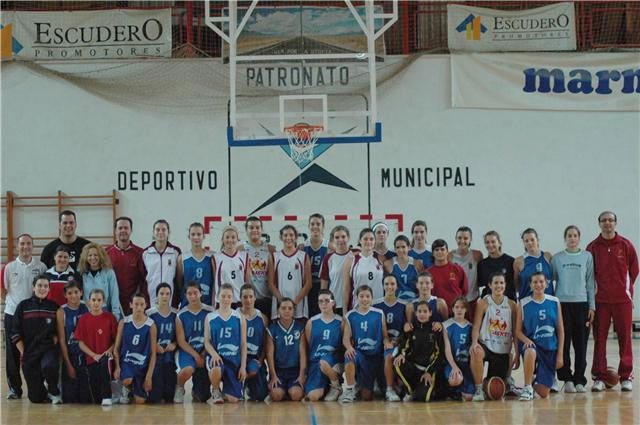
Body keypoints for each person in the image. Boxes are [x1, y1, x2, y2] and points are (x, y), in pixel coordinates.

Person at [587, 211, 638, 392]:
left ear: (615, 223)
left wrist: (625, 289)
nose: (607, 223)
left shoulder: (626, 245)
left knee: (625, 339)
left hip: (622, 301)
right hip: (600, 301)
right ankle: (599, 377)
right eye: (604, 220)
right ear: (599, 223)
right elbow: (588, 276)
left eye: (610, 220)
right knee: (599, 339)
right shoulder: (592, 247)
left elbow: (634, 270)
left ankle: (626, 376)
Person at [2, 234, 47, 400]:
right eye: (22, 244)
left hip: (33, 316)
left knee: (35, 351)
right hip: (12, 314)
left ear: (33, 246)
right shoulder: (9, 267)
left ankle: (38, 386)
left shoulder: (41, 266)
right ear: (17, 246)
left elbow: (43, 289)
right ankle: (15, 388)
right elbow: (3, 291)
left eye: (28, 244)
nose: (25, 247)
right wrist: (14, 306)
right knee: (12, 353)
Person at [552, 225, 595, 393]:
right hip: (562, 305)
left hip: (582, 305)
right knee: (564, 343)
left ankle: (579, 380)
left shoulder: (587, 257)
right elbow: (551, 282)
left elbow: (590, 283)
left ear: (579, 238)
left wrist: (592, 306)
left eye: (575, 235)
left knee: (581, 344)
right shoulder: (557, 258)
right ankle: (566, 378)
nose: (572, 238)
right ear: (565, 238)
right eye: (569, 235)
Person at [10, 274, 61, 404]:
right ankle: (41, 390)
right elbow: (15, 332)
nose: (42, 288)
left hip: (47, 349)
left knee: (49, 365)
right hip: (29, 352)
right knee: (36, 399)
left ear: (49, 289)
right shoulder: (23, 306)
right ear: (33, 287)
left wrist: (55, 339)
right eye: (39, 285)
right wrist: (23, 352)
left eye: (45, 286)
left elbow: (59, 330)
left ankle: (54, 390)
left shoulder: (54, 307)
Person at [470, 272, 518, 401]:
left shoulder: (512, 305)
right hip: (486, 344)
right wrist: (474, 343)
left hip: (502, 348)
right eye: (496, 283)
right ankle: (478, 389)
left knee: (495, 389)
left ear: (505, 285)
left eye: (501, 283)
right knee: (476, 352)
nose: (499, 285)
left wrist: (517, 353)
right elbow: (476, 326)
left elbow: (515, 331)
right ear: (490, 285)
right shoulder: (484, 302)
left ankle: (501, 382)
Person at [516, 272, 565, 400]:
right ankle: (527, 388)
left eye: (541, 281)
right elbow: (517, 331)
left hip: (549, 348)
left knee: (544, 393)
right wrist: (526, 340)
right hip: (533, 345)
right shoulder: (523, 303)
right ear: (530, 285)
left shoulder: (554, 302)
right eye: (535, 282)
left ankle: (534, 380)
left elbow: (560, 330)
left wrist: (560, 355)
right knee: (530, 350)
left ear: (547, 284)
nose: (538, 284)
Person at [341, 285, 391, 403]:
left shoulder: (379, 313)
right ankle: (349, 389)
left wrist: (387, 342)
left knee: (366, 396)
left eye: (367, 296)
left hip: (376, 356)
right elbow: (345, 338)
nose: (365, 299)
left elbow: (385, 336)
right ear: (356, 298)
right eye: (362, 296)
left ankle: (372, 385)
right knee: (349, 355)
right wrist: (348, 347)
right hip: (360, 355)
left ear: (372, 298)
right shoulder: (350, 315)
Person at [393, 300, 447, 402]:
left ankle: (422, 389)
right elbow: (405, 346)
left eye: (425, 311)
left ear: (430, 313)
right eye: (420, 311)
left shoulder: (435, 329)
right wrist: (401, 354)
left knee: (424, 398)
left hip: (427, 370)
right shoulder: (411, 328)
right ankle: (409, 391)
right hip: (413, 368)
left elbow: (440, 355)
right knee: (397, 362)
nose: (422, 314)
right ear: (416, 313)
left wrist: (429, 372)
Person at [204, 283, 247, 404]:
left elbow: (243, 344)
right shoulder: (210, 317)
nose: (226, 299)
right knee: (217, 367)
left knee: (233, 400)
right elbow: (206, 341)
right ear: (217, 297)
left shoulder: (239, 317)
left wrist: (243, 366)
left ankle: (226, 391)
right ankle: (216, 391)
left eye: (229, 296)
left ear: (233, 298)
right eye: (223, 296)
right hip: (217, 358)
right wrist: (214, 354)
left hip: (234, 360)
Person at [75, 288, 118, 405]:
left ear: (103, 302)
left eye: (99, 300)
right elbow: (80, 343)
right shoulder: (83, 319)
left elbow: (116, 341)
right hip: (91, 358)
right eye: (93, 300)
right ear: (88, 301)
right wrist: (93, 355)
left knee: (104, 363)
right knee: (96, 399)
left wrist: (109, 351)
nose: (96, 303)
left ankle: (108, 396)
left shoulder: (110, 318)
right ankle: (102, 396)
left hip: (106, 357)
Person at [113, 292, 157, 404]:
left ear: (146, 305)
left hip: (142, 366)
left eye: (141, 304)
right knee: (127, 380)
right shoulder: (124, 322)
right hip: (127, 363)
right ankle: (124, 388)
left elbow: (153, 353)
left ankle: (132, 390)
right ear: (130, 305)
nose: (139, 307)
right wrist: (117, 367)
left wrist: (149, 376)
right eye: (136, 304)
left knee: (140, 401)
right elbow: (116, 348)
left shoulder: (151, 325)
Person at [174, 281, 214, 403]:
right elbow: (181, 341)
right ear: (185, 295)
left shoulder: (210, 312)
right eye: (189, 294)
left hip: (205, 350)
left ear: (201, 293)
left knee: (202, 397)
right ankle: (179, 387)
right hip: (188, 351)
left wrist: (203, 353)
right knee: (188, 369)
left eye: (195, 293)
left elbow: (212, 338)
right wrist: (196, 355)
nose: (193, 296)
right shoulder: (181, 315)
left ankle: (212, 390)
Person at [305, 289, 344, 402]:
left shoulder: (341, 322)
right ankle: (326, 387)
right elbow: (309, 345)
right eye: (320, 301)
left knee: (324, 361)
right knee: (313, 397)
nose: (323, 304)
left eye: (327, 300)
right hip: (316, 364)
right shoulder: (311, 322)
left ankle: (336, 386)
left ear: (333, 303)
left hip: (334, 363)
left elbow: (343, 346)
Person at [266, 298, 307, 402]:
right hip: (279, 371)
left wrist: (302, 375)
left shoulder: (300, 328)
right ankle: (283, 391)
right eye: (283, 308)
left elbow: (303, 353)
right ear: (278, 311)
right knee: (276, 395)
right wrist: (273, 376)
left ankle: (289, 390)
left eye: (290, 308)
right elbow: (269, 354)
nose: (287, 311)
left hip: (295, 371)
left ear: (294, 311)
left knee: (296, 395)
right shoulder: (272, 329)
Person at [106, 217, 148, 316]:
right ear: (115, 230)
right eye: (120, 228)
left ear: (131, 230)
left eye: (126, 228)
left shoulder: (140, 253)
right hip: (112, 304)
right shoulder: (106, 253)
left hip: (133, 305)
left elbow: (144, 281)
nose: (123, 230)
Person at [56, 280, 90, 403]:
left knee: (86, 398)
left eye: (76, 292)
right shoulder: (61, 311)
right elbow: (62, 339)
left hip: (86, 354)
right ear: (65, 295)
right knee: (70, 399)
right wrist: (68, 364)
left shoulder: (87, 306)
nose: (73, 295)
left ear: (81, 292)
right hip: (70, 355)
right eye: (70, 293)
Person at [374, 275, 407, 401]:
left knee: (389, 354)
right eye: (387, 284)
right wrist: (384, 340)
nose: (390, 287)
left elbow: (406, 329)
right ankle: (376, 381)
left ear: (397, 286)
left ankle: (390, 389)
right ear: (383, 286)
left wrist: (397, 341)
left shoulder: (404, 305)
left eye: (392, 284)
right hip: (380, 341)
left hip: (397, 342)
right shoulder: (375, 304)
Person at [268, 225, 312, 320]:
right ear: (281, 237)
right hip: (279, 306)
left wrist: (294, 303)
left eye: (291, 235)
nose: (288, 238)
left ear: (296, 238)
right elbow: (271, 284)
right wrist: (283, 303)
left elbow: (308, 283)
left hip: (299, 306)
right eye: (285, 235)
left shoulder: (303, 256)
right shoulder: (275, 257)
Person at [146, 283, 178, 403]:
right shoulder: (149, 314)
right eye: (162, 294)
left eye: (167, 294)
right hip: (155, 357)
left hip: (170, 357)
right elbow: (145, 336)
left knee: (169, 397)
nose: (164, 297)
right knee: (155, 398)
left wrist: (174, 344)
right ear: (157, 296)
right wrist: (154, 346)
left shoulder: (176, 314)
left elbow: (180, 337)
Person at [239, 283, 269, 402]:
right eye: (245, 297)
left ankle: (247, 383)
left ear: (255, 298)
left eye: (251, 296)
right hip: (238, 359)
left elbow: (265, 343)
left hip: (254, 359)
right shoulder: (235, 315)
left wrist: (261, 360)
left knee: (261, 396)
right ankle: (237, 385)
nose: (248, 300)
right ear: (240, 298)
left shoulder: (262, 318)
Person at [78, 242, 122, 321]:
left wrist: (116, 316)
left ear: (101, 256)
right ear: (85, 257)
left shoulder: (109, 273)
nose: (93, 258)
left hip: (104, 311)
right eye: (90, 255)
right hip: (86, 312)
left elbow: (114, 296)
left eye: (95, 255)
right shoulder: (81, 273)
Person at [142, 219, 181, 307]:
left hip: (170, 299)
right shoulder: (145, 253)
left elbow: (179, 278)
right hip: (150, 298)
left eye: (164, 230)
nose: (160, 232)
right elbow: (142, 278)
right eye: (157, 229)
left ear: (168, 232)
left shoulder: (176, 252)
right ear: (153, 232)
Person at [343, 228, 384, 310]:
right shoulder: (351, 260)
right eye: (365, 239)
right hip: (359, 305)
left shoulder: (381, 258)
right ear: (360, 241)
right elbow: (346, 288)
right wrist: (344, 311)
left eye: (371, 239)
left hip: (378, 304)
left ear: (375, 241)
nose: (368, 242)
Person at [242, 216, 275, 317]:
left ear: (262, 229)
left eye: (257, 227)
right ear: (246, 230)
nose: (254, 230)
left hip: (267, 299)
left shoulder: (271, 249)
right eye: (251, 228)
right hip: (249, 300)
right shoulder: (240, 250)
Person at [443, 297, 474, 401]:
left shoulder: (470, 326)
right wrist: (454, 367)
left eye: (462, 307)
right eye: (457, 307)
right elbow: (447, 350)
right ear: (452, 309)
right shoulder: (446, 325)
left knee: (470, 396)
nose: (459, 310)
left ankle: (461, 391)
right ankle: (452, 391)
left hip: (465, 365)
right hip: (452, 364)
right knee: (455, 379)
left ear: (466, 309)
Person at [449, 227, 483, 320]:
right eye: (459, 238)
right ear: (456, 239)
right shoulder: (450, 256)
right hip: (456, 302)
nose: (462, 241)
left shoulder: (477, 255)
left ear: (470, 239)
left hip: (472, 300)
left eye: (465, 238)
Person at [177, 222, 214, 308]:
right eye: (193, 234)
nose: (196, 237)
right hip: (188, 304)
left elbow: (215, 281)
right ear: (189, 236)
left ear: (203, 236)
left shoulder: (211, 256)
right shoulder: (182, 258)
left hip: (206, 303)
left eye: (199, 234)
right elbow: (179, 283)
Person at [320, 225, 354, 316]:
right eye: (337, 237)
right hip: (335, 303)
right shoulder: (328, 258)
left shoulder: (355, 256)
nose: (340, 240)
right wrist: (324, 303)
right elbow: (324, 284)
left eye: (343, 237)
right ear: (333, 239)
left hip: (352, 303)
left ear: (348, 238)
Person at [213, 226, 249, 308]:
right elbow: (214, 282)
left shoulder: (244, 256)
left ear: (237, 239)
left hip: (240, 301)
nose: (230, 240)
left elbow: (247, 281)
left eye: (233, 237)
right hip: (222, 302)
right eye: (227, 237)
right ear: (222, 239)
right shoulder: (216, 257)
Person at [428, 239, 468, 312]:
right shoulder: (428, 273)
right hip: (436, 312)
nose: (440, 252)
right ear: (433, 253)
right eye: (436, 250)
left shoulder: (457, 269)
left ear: (447, 252)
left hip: (455, 312)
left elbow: (464, 291)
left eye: (442, 249)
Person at [514, 228, 554, 300]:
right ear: (523, 243)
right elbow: (516, 284)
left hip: (548, 302)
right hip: (527, 302)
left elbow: (554, 277)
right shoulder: (519, 261)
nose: (529, 243)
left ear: (537, 240)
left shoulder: (547, 256)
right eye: (526, 241)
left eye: (532, 239)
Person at [477, 231, 516, 301]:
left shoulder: (511, 261)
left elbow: (516, 284)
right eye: (487, 242)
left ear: (499, 243)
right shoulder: (482, 264)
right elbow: (479, 284)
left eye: (493, 242)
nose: (490, 245)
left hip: (508, 302)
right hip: (489, 304)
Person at [303, 214, 329, 318]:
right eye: (312, 224)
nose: (315, 226)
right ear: (308, 226)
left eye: (318, 224)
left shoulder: (329, 246)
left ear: (323, 226)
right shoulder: (302, 247)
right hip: (307, 288)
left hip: (323, 286)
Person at [385, 235, 423, 301]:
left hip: (413, 300)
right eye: (398, 247)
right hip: (396, 301)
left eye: (403, 247)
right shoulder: (388, 264)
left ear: (409, 247)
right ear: (394, 249)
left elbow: (422, 284)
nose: (400, 250)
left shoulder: (417, 263)